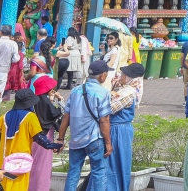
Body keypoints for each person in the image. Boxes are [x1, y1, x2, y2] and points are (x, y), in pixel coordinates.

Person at [0, 87, 62, 191]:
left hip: (4, 161)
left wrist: (3, 139)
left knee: (5, 187)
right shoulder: (31, 117)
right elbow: (41, 139)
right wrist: (56, 145)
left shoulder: (5, 115)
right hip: (21, 162)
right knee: (19, 186)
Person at [57, 60, 113, 191]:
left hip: (76, 139)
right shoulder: (103, 92)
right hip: (94, 139)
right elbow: (104, 120)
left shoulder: (75, 90)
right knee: (99, 172)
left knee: (73, 172)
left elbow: (66, 116)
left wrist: (60, 138)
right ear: (103, 75)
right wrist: (108, 143)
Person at [104, 62, 144, 191]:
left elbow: (110, 108)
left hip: (119, 130)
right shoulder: (123, 89)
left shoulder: (128, 92)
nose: (121, 76)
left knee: (116, 161)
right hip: (117, 128)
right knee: (112, 161)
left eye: (124, 74)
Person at [26, 76, 63, 191]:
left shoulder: (35, 101)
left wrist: (51, 99)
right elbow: (59, 114)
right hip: (45, 137)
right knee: (42, 167)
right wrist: (60, 100)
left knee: (33, 165)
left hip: (33, 137)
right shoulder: (45, 102)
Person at [0, 26, 20, 93]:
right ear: (10, 34)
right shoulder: (13, 44)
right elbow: (16, 59)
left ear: (0, 32)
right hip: (2, 70)